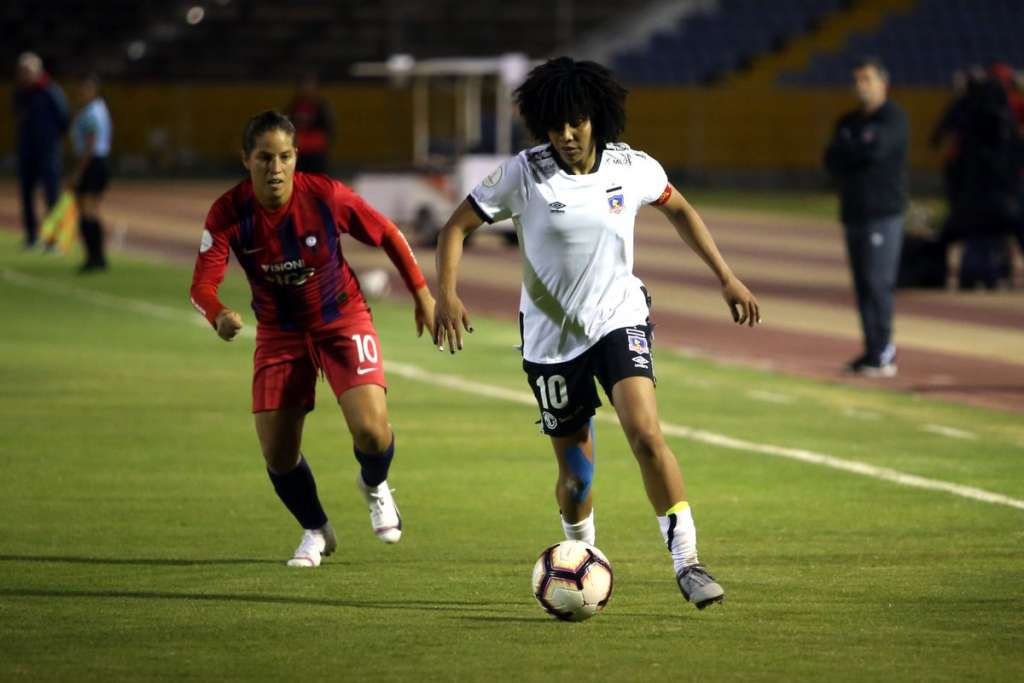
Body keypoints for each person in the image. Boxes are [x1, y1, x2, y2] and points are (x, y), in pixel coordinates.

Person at [432, 57, 760, 610]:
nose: (565, 135)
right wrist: (446, 292)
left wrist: (725, 277)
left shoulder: (631, 167)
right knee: (577, 478)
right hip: (550, 342)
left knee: (646, 435)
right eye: (555, 124)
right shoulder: (524, 173)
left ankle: (689, 563)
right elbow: (455, 227)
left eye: (576, 122)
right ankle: (584, 561)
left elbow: (679, 209)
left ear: (598, 119)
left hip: (619, 319)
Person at [190, 111, 435, 567]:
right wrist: (217, 314)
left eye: (285, 156)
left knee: (371, 432)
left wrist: (422, 293)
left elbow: (387, 232)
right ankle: (316, 530)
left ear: (296, 157)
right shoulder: (229, 212)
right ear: (246, 160)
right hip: (279, 335)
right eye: (265, 157)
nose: (276, 167)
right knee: (278, 454)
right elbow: (201, 285)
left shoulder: (325, 196)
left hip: (341, 319)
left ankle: (376, 485)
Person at [825, 57, 909, 377]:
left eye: (867, 80)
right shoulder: (848, 121)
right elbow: (831, 159)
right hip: (854, 211)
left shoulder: (893, 117)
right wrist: (855, 148)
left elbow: (877, 152)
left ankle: (884, 351)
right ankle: (872, 349)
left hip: (883, 213)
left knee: (878, 284)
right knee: (862, 285)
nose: (860, 86)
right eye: (857, 80)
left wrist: (853, 149)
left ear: (882, 83)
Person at [12, 51, 68, 249]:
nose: (24, 75)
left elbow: (64, 118)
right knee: (26, 193)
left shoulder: (51, 92)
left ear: (38, 71)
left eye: (27, 71)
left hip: (48, 150)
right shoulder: (21, 93)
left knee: (52, 194)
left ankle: (53, 239)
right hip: (27, 150)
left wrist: (51, 140)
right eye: (22, 71)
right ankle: (31, 237)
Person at [67, 74, 113, 272]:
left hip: (92, 163)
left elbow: (90, 145)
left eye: (85, 90)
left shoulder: (91, 113)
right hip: (97, 162)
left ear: (93, 91)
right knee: (90, 211)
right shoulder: (98, 109)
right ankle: (97, 257)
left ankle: (94, 258)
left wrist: (78, 171)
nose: (81, 94)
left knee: (87, 212)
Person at [286, 74, 334, 174]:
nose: (307, 89)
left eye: (310, 86)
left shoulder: (321, 107)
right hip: (299, 151)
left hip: (316, 152)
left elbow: (328, 130)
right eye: (305, 86)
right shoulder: (294, 106)